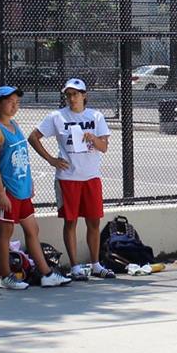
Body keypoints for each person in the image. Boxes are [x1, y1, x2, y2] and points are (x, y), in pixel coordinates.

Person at [30, 78, 115, 281]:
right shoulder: (57, 116)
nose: (71, 98)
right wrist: (51, 159)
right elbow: (33, 137)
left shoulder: (96, 116)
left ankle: (96, 264)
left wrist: (93, 138)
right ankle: (75, 266)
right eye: (68, 95)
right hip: (68, 178)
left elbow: (104, 147)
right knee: (71, 222)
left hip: (91, 176)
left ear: (84, 95)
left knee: (94, 221)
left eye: (75, 94)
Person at [0, 85, 70, 289]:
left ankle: (47, 274)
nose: (15, 106)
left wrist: (29, 181)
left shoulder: (14, 125)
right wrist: (1, 193)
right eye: (10, 102)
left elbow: (23, 157)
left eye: (17, 102)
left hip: (22, 189)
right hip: (7, 190)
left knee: (33, 229)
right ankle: (5, 277)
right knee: (5, 232)